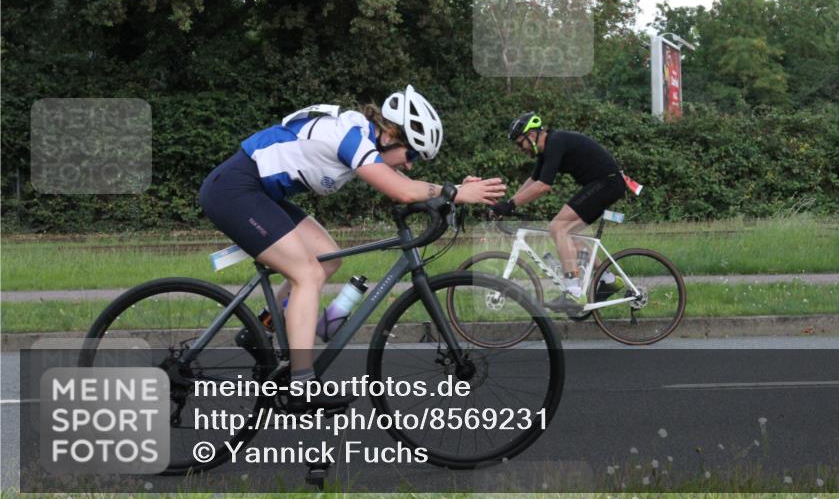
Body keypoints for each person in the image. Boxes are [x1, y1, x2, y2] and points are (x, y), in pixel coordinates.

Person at [199, 86, 505, 409]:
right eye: (412, 155)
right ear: (390, 135)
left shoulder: (361, 139)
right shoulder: (350, 136)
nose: (410, 165)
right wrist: (455, 192)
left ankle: (260, 330)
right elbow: (401, 191)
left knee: (327, 258)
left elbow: (405, 186)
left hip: (259, 193)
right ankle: (302, 386)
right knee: (307, 274)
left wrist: (451, 192)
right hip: (234, 190)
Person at [491, 112, 630, 313]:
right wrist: (508, 204)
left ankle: (574, 291)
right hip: (604, 184)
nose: (521, 149)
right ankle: (608, 280)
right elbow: (534, 180)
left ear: (532, 135)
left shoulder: (555, 142)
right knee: (568, 233)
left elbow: (543, 186)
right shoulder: (547, 148)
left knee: (558, 227)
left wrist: (511, 205)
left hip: (606, 183)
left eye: (520, 143)